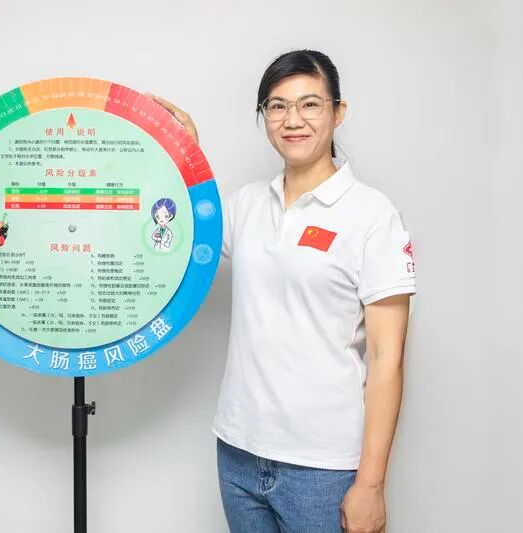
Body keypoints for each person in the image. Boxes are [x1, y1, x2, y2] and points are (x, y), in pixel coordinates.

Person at [148, 49, 416, 533]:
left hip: (322, 467)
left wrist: (371, 485)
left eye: (310, 104)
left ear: (338, 112)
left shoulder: (373, 216)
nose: (293, 120)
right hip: (238, 451)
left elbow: (386, 358)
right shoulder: (247, 205)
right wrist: (185, 154)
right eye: (277, 106)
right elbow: (178, 231)